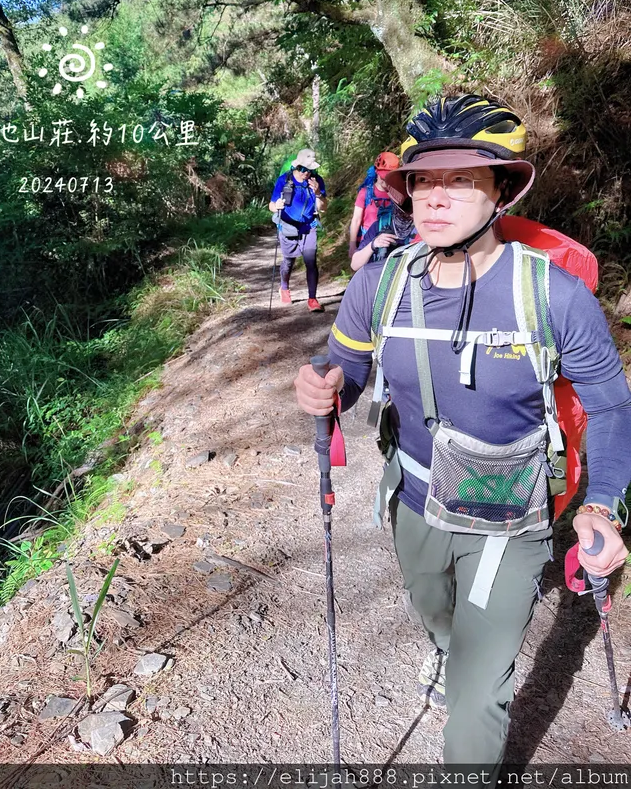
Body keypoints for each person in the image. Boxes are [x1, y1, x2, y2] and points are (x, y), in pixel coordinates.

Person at [294, 95, 631, 767]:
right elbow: (348, 370)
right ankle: (453, 647)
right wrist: (326, 385)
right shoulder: (381, 285)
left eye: (461, 178)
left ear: (501, 188)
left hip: (511, 511)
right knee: (436, 612)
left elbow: (612, 404)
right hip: (413, 502)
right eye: (423, 179)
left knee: (476, 692)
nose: (435, 196)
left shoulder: (554, 296)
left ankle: (470, 674)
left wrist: (602, 504)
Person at [269, 148, 327, 312]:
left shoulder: (316, 181)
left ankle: (312, 299)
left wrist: (317, 194)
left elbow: (324, 208)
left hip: (308, 226)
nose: (306, 173)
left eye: (309, 169)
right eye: (303, 169)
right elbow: (271, 205)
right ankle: (284, 287)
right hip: (287, 226)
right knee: (289, 261)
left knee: (311, 261)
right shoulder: (284, 180)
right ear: (296, 167)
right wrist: (277, 206)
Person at [348, 151, 400, 260]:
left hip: (390, 243)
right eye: (383, 177)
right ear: (376, 172)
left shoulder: (398, 194)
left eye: (389, 177)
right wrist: (352, 245)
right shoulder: (365, 193)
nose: (385, 181)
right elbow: (356, 220)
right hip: (367, 243)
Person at [350, 202, 417, 272]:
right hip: (378, 277)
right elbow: (355, 265)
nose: (406, 214)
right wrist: (373, 244)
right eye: (402, 208)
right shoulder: (379, 226)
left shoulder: (422, 229)